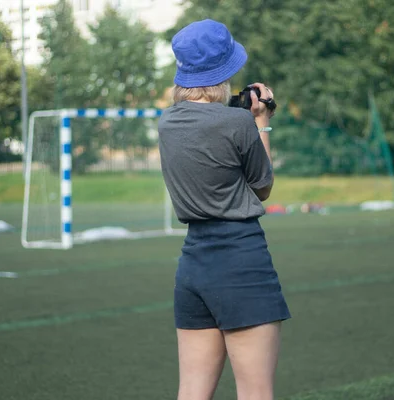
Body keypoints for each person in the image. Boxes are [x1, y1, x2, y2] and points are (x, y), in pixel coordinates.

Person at [158, 19, 291, 400]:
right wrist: (261, 122)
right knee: (255, 393)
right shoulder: (237, 122)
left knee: (192, 393)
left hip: (193, 264)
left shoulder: (166, 122)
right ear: (224, 71)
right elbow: (262, 187)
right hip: (240, 260)